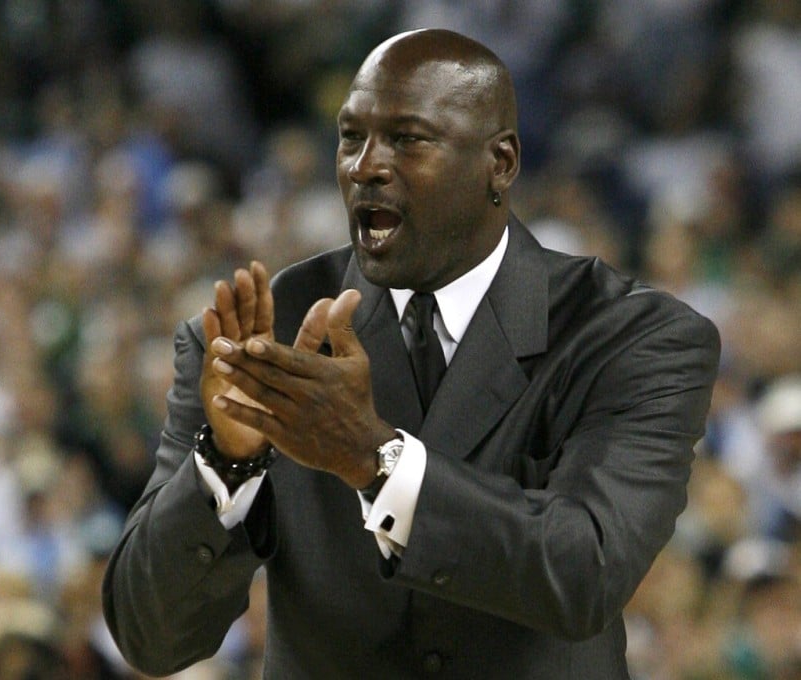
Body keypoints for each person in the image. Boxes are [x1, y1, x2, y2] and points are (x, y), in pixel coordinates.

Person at [101, 28, 721, 679]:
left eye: (407, 138)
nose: (365, 164)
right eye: (350, 136)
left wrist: (374, 458)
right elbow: (150, 640)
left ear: (500, 163)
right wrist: (226, 465)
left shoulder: (632, 335)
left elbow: (584, 574)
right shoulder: (261, 335)